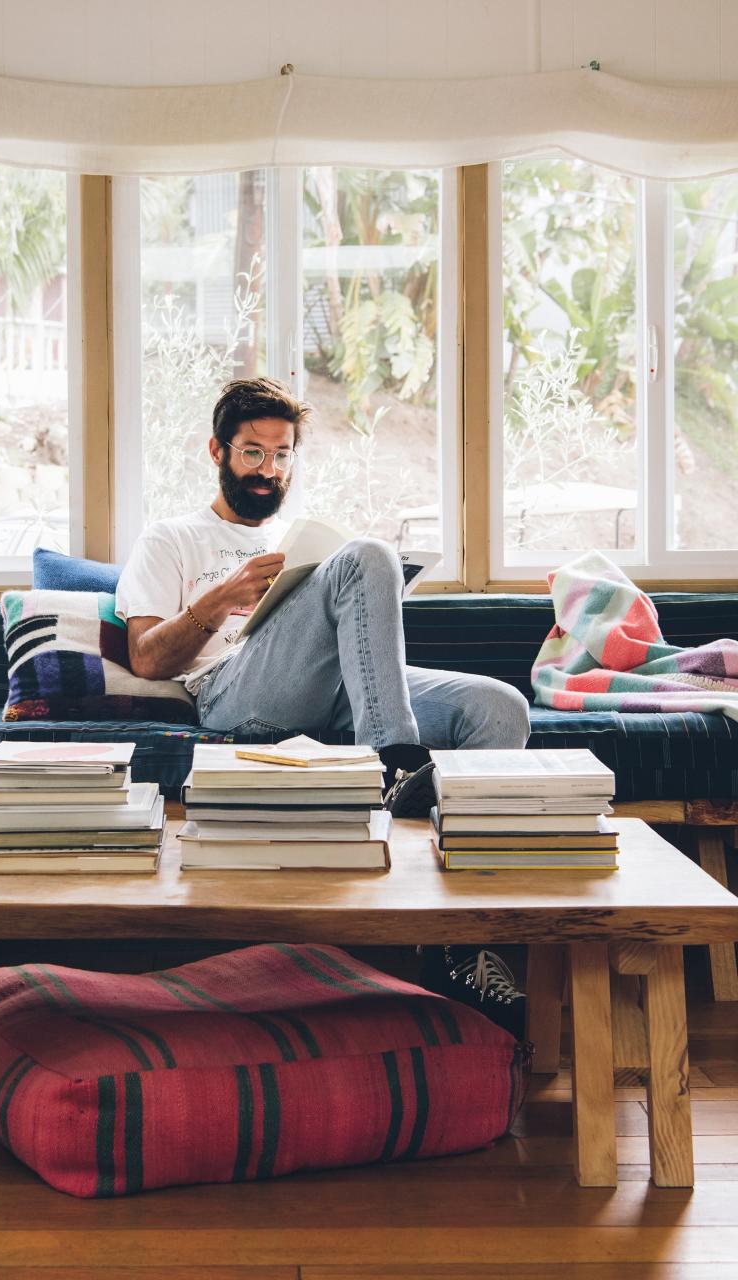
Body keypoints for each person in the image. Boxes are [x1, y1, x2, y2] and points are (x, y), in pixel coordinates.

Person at [116, 377, 532, 1031]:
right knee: (365, 554)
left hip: (336, 688)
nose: (268, 469)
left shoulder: (297, 540)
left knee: (498, 707)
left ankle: (460, 940)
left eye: (282, 455)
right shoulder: (170, 538)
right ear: (217, 451)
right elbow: (146, 657)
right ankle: (397, 763)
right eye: (253, 452)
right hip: (231, 692)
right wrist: (222, 596)